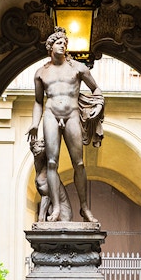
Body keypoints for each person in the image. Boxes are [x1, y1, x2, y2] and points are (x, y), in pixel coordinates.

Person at [26, 27, 104, 222]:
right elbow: (38, 101)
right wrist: (35, 123)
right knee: (52, 162)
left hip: (72, 115)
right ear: (50, 46)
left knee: (78, 163)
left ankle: (84, 208)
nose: (63, 45)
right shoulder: (40, 73)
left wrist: (99, 104)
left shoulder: (78, 68)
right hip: (51, 114)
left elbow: (96, 90)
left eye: (65, 43)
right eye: (59, 43)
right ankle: (57, 209)